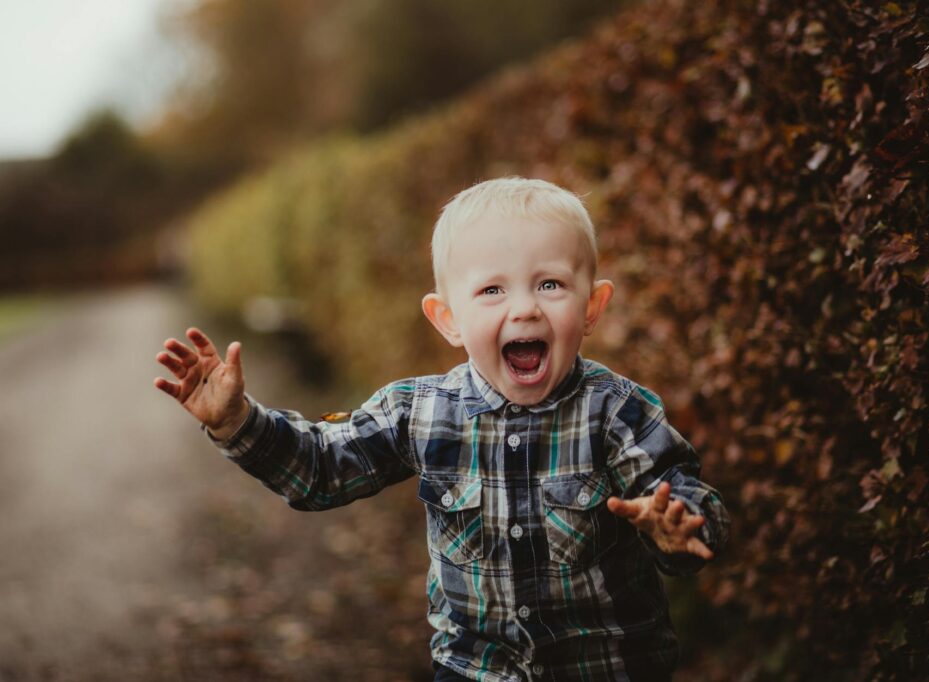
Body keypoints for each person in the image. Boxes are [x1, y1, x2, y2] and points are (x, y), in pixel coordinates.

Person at [154, 177, 729, 681]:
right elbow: (322, 470)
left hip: (610, 669)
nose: (525, 308)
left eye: (550, 284)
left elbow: (680, 492)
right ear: (448, 319)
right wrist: (238, 423)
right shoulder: (421, 413)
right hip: (474, 670)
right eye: (492, 290)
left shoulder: (615, 411)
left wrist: (675, 525)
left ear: (592, 307)